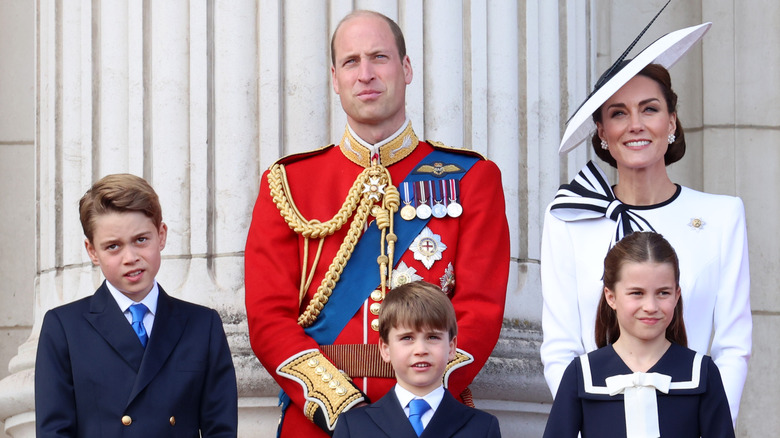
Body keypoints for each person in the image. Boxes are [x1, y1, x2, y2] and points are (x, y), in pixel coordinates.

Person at [244, 10, 510, 437]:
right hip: (319, 421)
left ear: (406, 69)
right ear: (335, 78)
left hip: (432, 419)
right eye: (351, 62)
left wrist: (419, 400)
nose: (365, 73)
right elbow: (268, 318)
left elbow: (479, 310)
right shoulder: (289, 183)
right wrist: (344, 410)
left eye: (379, 58)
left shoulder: (471, 179)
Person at [540, 20, 750, 424]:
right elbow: (560, 349)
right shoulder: (569, 218)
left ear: (671, 121)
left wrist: (709, 426)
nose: (635, 124)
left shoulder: (723, 216)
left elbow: (732, 348)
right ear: (601, 131)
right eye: (619, 113)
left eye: (649, 109)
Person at [35, 174, 238, 437]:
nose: (130, 257)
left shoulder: (203, 325)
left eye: (141, 240)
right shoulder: (64, 327)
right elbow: (54, 432)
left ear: (161, 235)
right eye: (113, 246)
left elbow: (220, 430)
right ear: (92, 251)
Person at [543, 232, 734, 437]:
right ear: (611, 297)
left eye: (663, 293)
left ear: (677, 295)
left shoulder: (702, 373)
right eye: (637, 293)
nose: (651, 306)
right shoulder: (581, 374)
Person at [333, 281, 501, 438]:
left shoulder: (483, 427)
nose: (421, 350)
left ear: (451, 347)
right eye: (407, 338)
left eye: (433, 337)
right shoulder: (354, 426)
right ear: (385, 349)